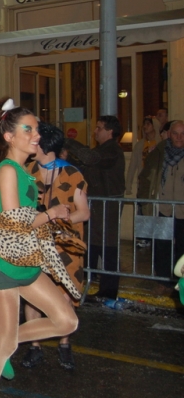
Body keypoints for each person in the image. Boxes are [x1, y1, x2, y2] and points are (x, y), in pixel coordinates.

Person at [0, 97, 78, 398]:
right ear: (8, 136)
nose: (36, 135)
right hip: (3, 266)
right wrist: (51, 214)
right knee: (6, 346)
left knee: (66, 320)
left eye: (37, 129)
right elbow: (15, 219)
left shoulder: (22, 171)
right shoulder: (7, 170)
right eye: (28, 129)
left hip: (25, 262)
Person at [22, 122, 89, 371]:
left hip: (66, 248)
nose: (31, 142)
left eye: (35, 139)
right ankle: (34, 346)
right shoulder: (27, 171)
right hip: (36, 246)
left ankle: (64, 343)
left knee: (65, 297)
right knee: (32, 297)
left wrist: (60, 218)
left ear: (45, 146)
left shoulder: (73, 174)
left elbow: (84, 213)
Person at [65, 115, 125, 301]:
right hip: (97, 206)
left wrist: (67, 141)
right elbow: (86, 167)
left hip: (107, 207)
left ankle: (108, 291)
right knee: (92, 245)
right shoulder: (102, 151)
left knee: (107, 247)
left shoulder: (112, 150)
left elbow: (90, 159)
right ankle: (89, 284)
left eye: (99, 128)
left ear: (110, 131)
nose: (95, 131)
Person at [137, 120, 184, 282]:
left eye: (182, 133)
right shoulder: (158, 153)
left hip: (182, 210)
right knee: (162, 246)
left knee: (182, 248)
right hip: (162, 208)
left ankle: (180, 280)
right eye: (175, 133)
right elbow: (145, 177)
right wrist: (145, 201)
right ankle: (163, 280)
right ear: (169, 134)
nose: (179, 137)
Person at [127, 117, 158, 197]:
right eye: (144, 124)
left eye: (148, 124)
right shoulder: (139, 145)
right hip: (144, 179)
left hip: (157, 180)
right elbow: (132, 166)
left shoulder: (160, 143)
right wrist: (128, 186)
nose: (145, 127)